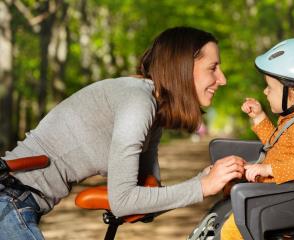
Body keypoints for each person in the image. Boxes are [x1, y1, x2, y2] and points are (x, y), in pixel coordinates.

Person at [0, 26, 246, 240]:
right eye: (213, 68)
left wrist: (203, 180)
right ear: (182, 68)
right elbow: (124, 201)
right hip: (9, 200)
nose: (222, 79)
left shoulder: (153, 111)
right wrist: (203, 186)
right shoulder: (137, 102)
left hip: (19, 203)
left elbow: (148, 201)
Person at [220, 38, 294, 240]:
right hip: (275, 191)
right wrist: (259, 117)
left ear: (291, 96)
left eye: (270, 88)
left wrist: (267, 169)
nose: (265, 91)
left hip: (285, 197)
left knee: (230, 231)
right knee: (227, 191)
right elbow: (274, 144)